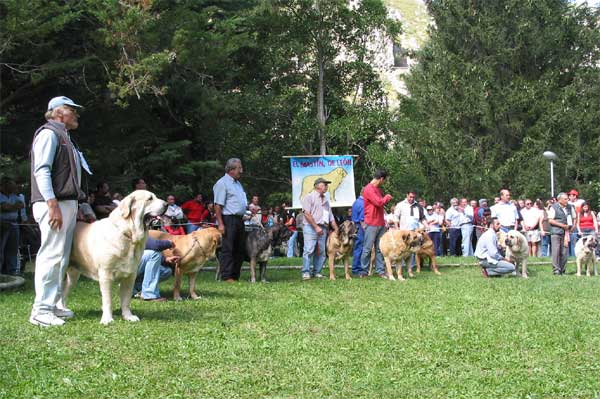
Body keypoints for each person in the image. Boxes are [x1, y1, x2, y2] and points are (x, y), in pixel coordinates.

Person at [30, 96, 88, 327]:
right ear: (57, 112)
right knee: (51, 256)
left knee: (62, 258)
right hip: (54, 204)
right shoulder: (48, 134)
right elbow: (41, 171)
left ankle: (52, 305)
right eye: (72, 110)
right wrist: (52, 205)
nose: (76, 115)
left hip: (66, 204)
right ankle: (40, 310)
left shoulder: (66, 138)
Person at [213, 158, 248, 282]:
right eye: (239, 168)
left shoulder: (238, 184)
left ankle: (235, 275)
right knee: (228, 248)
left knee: (240, 248)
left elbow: (239, 203)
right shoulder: (222, 183)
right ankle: (227, 276)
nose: (241, 171)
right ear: (231, 170)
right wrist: (221, 224)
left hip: (239, 219)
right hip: (228, 219)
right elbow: (217, 205)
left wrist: (247, 212)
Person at [301, 177, 338, 280]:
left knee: (321, 251)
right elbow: (306, 214)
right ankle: (306, 272)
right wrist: (316, 227)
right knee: (309, 250)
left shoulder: (326, 200)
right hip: (310, 227)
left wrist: (337, 230)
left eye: (327, 185)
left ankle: (317, 272)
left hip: (323, 228)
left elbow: (331, 217)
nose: (326, 186)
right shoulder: (309, 197)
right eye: (324, 184)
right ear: (317, 185)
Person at [360, 170, 393, 278]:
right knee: (368, 248)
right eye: (384, 180)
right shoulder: (368, 189)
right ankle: (364, 271)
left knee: (380, 248)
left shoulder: (377, 190)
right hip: (371, 222)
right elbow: (378, 202)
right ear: (381, 179)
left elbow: (379, 204)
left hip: (380, 223)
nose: (383, 182)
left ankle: (380, 271)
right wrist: (387, 197)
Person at [133, 237, 177, 301]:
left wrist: (166, 259)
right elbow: (155, 245)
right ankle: (149, 295)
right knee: (154, 254)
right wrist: (169, 243)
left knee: (166, 271)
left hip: (132, 265)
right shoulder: (133, 229)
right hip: (125, 266)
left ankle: (137, 288)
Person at [0, 177, 27, 276]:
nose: (13, 186)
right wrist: (11, 206)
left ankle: (11, 271)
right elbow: (3, 207)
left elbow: (21, 205)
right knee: (1, 249)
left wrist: (9, 207)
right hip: (2, 224)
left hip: (14, 224)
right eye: (11, 184)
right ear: (4, 185)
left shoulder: (14, 195)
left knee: (13, 249)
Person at [548, 192, 576, 275]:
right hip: (556, 232)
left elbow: (574, 217)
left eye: (567, 199)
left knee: (564, 252)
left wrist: (573, 226)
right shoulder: (553, 207)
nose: (567, 200)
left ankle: (563, 269)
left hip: (566, 232)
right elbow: (550, 220)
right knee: (556, 251)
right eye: (565, 199)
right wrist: (562, 225)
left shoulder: (570, 207)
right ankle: (556, 270)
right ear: (559, 200)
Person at [350, 190, 365, 276]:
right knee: (360, 248)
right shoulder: (363, 203)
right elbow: (362, 218)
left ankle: (356, 268)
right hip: (360, 227)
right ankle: (357, 269)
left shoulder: (356, 202)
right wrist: (365, 229)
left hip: (355, 226)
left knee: (357, 248)